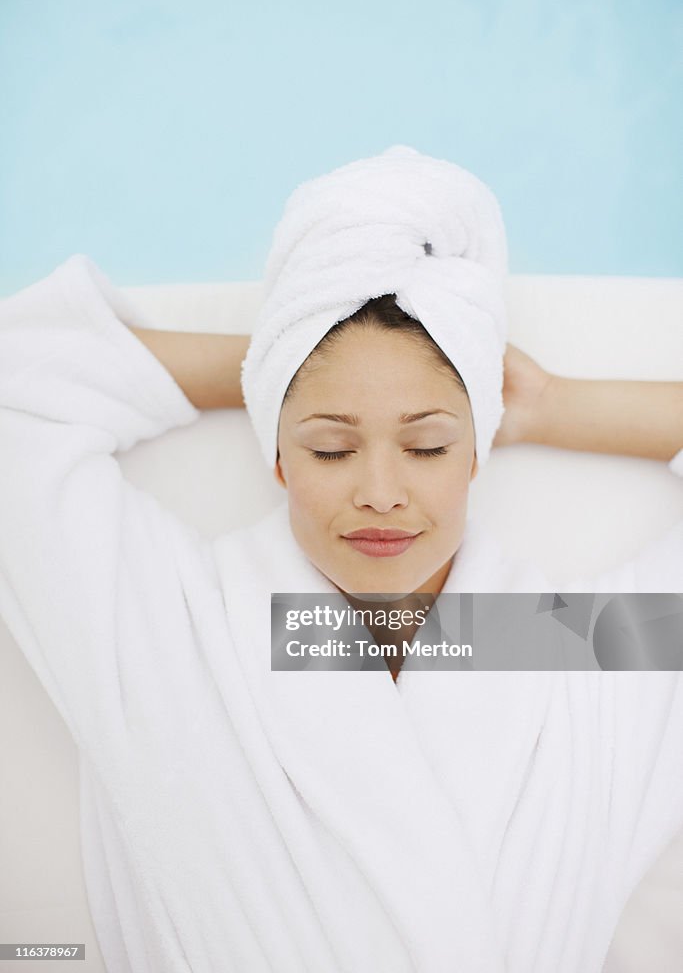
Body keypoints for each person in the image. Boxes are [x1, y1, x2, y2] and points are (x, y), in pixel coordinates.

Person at [0, 148, 682, 972]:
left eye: (428, 444)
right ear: (276, 457)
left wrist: (547, 405)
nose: (381, 493)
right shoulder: (171, 633)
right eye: (329, 448)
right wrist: (289, 362)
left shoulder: (580, 651)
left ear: (478, 453)